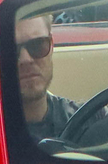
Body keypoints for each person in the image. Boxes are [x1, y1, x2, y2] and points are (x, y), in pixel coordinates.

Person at [12, 12, 80, 145]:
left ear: (51, 44)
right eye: (11, 50)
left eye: (38, 45)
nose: (26, 60)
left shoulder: (93, 120)